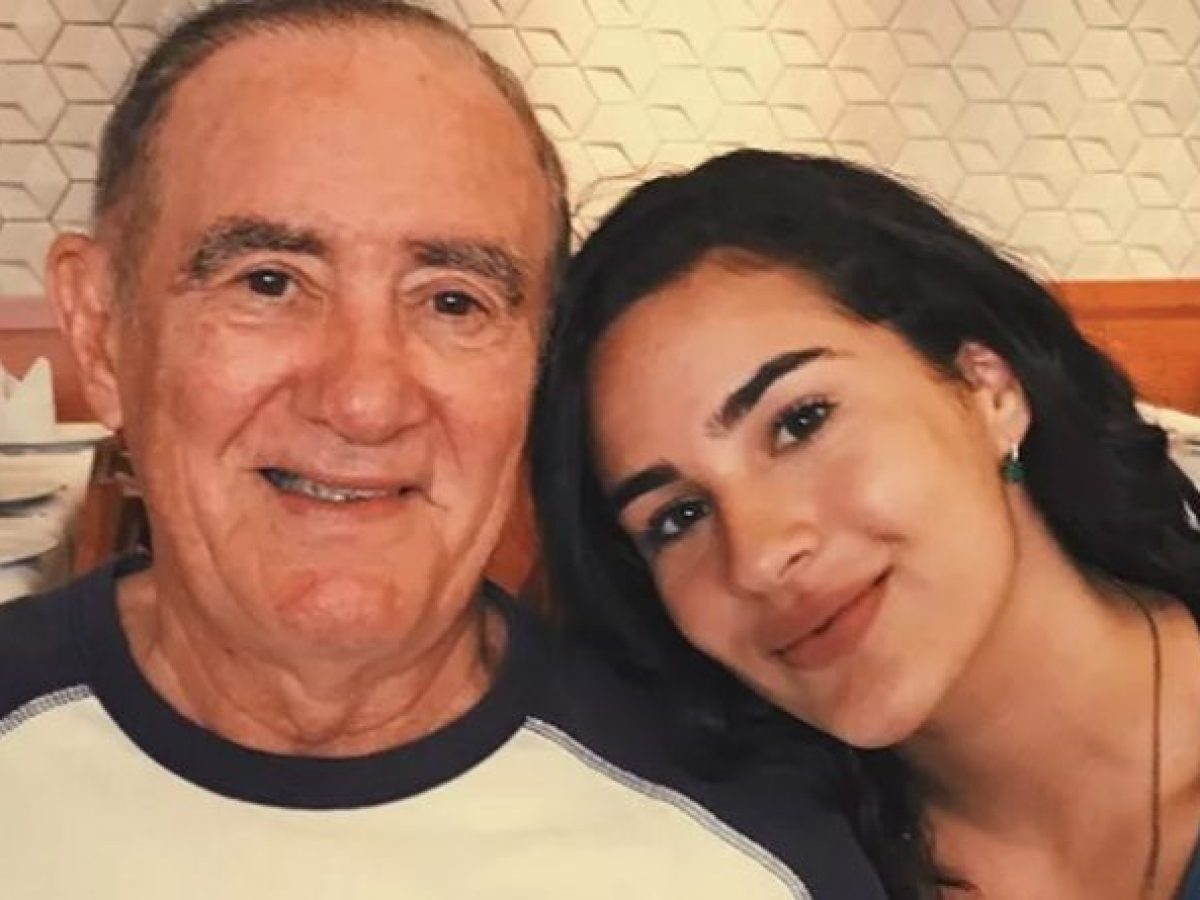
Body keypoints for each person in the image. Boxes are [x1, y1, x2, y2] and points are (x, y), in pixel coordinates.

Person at [0, 6, 883, 897]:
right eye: (268, 282)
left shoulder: (748, 854)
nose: (365, 401)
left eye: (453, 301)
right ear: (101, 329)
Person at [531, 148, 1200, 899]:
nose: (757, 558)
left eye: (801, 422)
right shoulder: (739, 866)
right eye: (677, 517)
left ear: (988, 386)